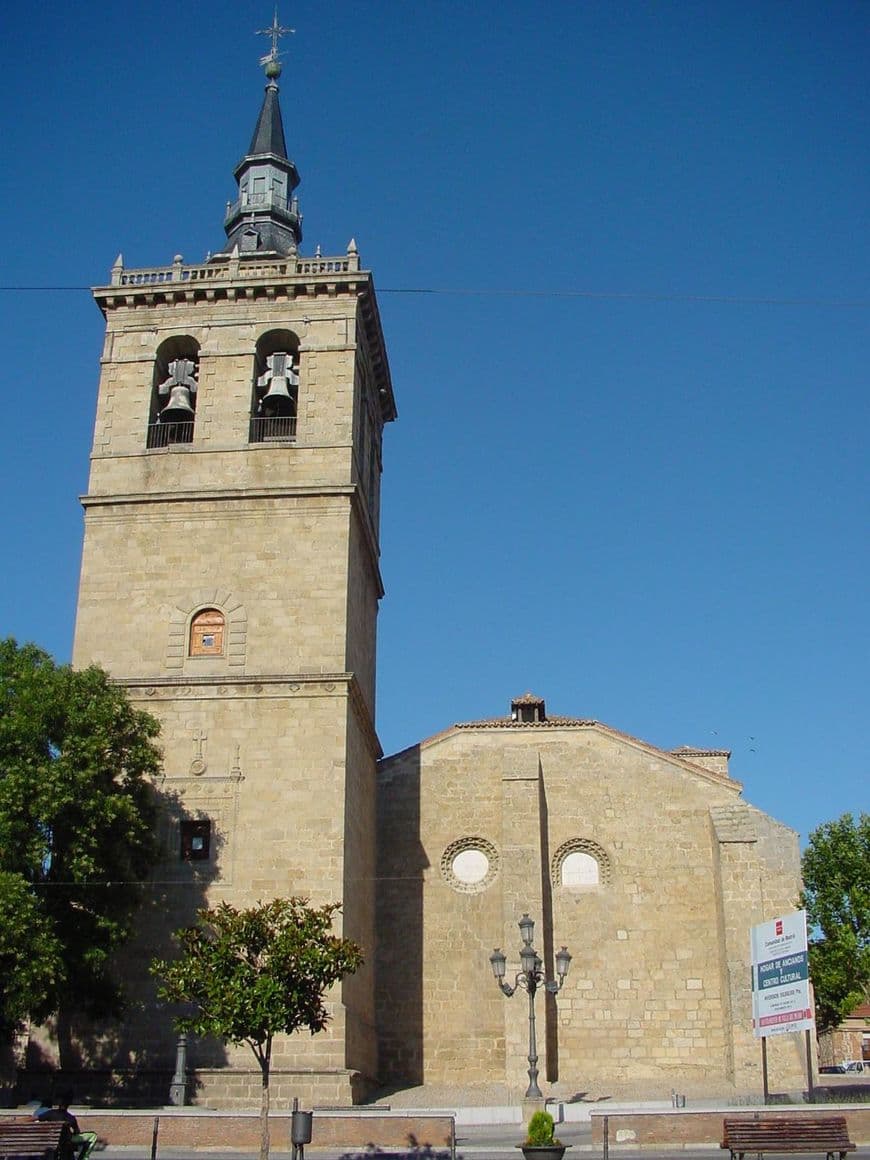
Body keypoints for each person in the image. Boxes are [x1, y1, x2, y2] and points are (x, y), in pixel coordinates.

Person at [35, 1093, 97, 1160]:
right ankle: (84, 1158)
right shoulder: (70, 1117)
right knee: (93, 1135)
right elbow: (77, 1131)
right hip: (66, 1140)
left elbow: (33, 1118)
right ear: (68, 1106)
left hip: (51, 1140)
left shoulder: (50, 1113)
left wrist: (22, 1121)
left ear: (59, 1105)